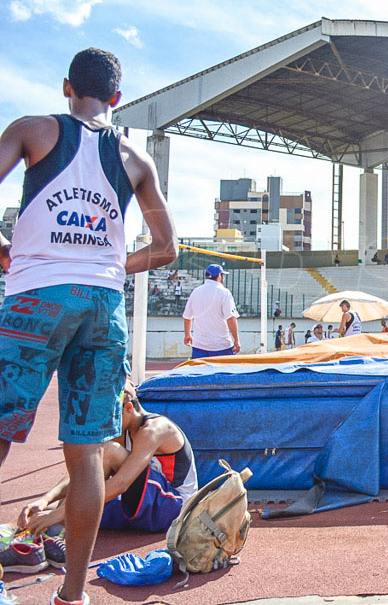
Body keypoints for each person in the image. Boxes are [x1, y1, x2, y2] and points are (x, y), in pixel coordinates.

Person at [0, 47, 177, 605]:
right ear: (118, 99)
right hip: (103, 308)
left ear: (66, 87)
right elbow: (166, 249)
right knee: (85, 456)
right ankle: (72, 598)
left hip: (37, 297)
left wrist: (7, 249)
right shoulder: (135, 159)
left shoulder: (33, 129)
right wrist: (105, 266)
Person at [19, 386, 197, 538]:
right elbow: (86, 472)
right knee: (90, 472)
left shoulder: (155, 430)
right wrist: (44, 500)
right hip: (147, 502)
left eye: (111, 417)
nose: (107, 423)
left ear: (128, 408)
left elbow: (121, 483)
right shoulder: (125, 428)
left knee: (108, 451)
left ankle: (60, 525)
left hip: (175, 507)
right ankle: (29, 527)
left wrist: (59, 514)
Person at [182, 264, 240, 359]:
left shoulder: (196, 292)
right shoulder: (224, 292)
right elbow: (231, 318)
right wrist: (236, 340)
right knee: (224, 373)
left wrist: (187, 334)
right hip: (221, 346)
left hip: (199, 346)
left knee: (199, 373)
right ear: (219, 276)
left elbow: (187, 317)